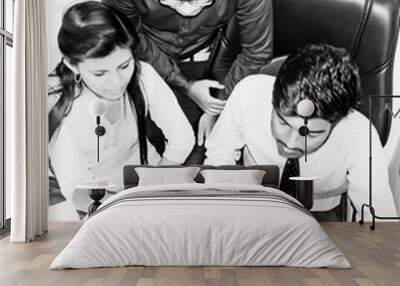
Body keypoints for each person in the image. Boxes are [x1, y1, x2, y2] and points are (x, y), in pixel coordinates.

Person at [205, 44, 398, 220]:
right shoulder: (249, 93)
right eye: (283, 123)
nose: (291, 143)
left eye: (311, 134)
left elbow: (378, 215)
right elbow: (220, 154)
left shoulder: (360, 135)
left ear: (338, 122)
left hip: (319, 210)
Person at [48, 1, 195, 220]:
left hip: (151, 183)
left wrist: (153, 187)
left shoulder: (144, 74)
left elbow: (182, 139)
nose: (117, 82)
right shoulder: (60, 107)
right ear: (72, 64)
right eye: (100, 73)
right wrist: (132, 207)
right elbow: (77, 190)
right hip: (99, 205)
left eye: (124, 66)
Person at [101, 0, 273, 156]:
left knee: (204, 158)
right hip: (144, 61)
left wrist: (217, 104)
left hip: (211, 66)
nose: (187, 9)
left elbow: (256, 53)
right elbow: (131, 37)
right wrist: (186, 86)